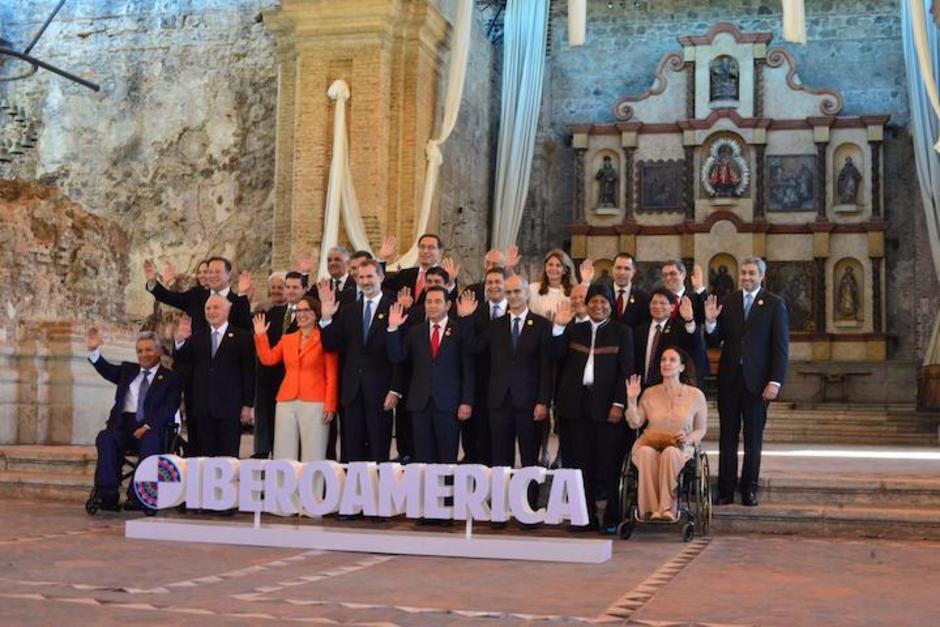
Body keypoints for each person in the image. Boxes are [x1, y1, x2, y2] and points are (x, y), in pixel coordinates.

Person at [705, 257, 789, 507]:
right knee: (727, 439)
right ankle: (725, 490)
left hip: (758, 383)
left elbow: (780, 347)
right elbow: (714, 341)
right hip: (729, 380)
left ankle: (749, 488)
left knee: (753, 439)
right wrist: (710, 322)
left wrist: (775, 381)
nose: (746, 277)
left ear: (762, 276)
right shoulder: (728, 302)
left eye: (752, 273)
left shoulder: (774, 304)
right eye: (743, 273)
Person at [463, 275, 551, 512]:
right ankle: (500, 507)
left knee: (529, 457)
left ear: (526, 293)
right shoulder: (495, 325)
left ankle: (528, 508)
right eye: (509, 292)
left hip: (529, 402)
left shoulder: (541, 325)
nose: (512, 296)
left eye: (517, 291)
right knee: (500, 458)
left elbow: (546, 367)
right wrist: (467, 318)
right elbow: (473, 348)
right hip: (499, 401)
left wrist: (543, 401)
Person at [552, 285, 635, 533]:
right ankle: (583, 517)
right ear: (586, 305)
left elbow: (627, 370)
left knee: (608, 463)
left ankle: (611, 517)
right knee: (579, 463)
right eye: (594, 302)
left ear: (611, 305)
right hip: (575, 406)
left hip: (608, 406)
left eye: (604, 302)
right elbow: (555, 357)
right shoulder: (574, 330)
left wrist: (619, 403)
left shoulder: (622, 332)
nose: (598, 306)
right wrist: (558, 328)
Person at [87, 327, 182, 510]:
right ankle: (106, 495)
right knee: (106, 438)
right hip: (123, 425)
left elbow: (169, 407)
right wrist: (94, 350)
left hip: (152, 426)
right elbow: (106, 369)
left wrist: (148, 426)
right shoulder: (127, 371)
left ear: (159, 351)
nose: (144, 355)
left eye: (148, 350)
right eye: (140, 351)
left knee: (151, 439)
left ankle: (138, 495)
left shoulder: (171, 378)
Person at [318, 260, 401, 463]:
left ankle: (376, 493)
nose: (365, 281)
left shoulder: (394, 309)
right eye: (361, 277)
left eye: (370, 276)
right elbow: (331, 345)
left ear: (380, 277)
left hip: (380, 393)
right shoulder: (348, 311)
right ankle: (351, 493)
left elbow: (399, 356)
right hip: (351, 393)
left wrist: (395, 389)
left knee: (378, 450)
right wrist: (326, 319)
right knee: (351, 452)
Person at [386, 286, 474, 465]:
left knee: (447, 458)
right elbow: (398, 358)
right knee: (423, 459)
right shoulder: (415, 331)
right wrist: (393, 328)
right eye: (429, 301)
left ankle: (447, 494)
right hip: (420, 405)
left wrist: (466, 401)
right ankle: (426, 493)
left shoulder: (458, 331)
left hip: (448, 405)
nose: (432, 306)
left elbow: (467, 369)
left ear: (448, 305)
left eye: (437, 301)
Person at [253, 294, 338, 465]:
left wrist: (330, 404)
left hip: (315, 401)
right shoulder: (287, 339)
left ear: (316, 314)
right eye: (298, 310)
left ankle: (312, 492)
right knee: (283, 454)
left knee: (313, 454)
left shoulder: (325, 338)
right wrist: (261, 336)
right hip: (286, 400)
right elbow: (268, 359)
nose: (301, 314)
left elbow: (332, 374)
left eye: (306, 310)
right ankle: (285, 492)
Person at [625, 348, 707, 521]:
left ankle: (668, 508)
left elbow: (701, 429)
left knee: (670, 454)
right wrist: (632, 400)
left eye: (672, 360)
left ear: (682, 367)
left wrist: (689, 438)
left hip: (680, 446)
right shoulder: (649, 393)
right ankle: (650, 510)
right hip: (650, 442)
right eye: (663, 360)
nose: (666, 363)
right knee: (645, 454)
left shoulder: (696, 395)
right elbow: (635, 423)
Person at [173, 295, 256, 458]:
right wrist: (180, 341)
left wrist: (247, 405)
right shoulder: (196, 337)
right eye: (208, 308)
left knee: (227, 459)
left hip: (230, 408)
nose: (211, 312)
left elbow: (249, 372)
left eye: (216, 307)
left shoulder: (243, 337)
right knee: (202, 459)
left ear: (227, 310)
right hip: (201, 408)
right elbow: (181, 363)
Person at [461, 266, 511, 465]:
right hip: (481, 387)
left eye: (498, 281)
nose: (493, 286)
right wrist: (465, 319)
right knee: (480, 438)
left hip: (509, 390)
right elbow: (468, 347)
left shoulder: (517, 311)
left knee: (503, 442)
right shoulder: (475, 311)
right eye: (489, 282)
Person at [145, 255, 253, 333]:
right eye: (210, 272)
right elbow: (169, 297)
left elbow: (245, 329)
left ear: (228, 275)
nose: (212, 275)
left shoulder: (238, 300)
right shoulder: (196, 295)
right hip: (197, 360)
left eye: (217, 272)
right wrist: (152, 282)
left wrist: (242, 294)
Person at [635, 287, 707, 388]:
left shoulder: (680, 328)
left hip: (669, 388)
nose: (657, 306)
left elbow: (695, 345)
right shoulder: (639, 331)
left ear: (672, 307)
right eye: (654, 303)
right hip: (642, 388)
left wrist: (689, 320)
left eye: (662, 303)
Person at [253, 271, 289, 459]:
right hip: (264, 373)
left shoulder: (293, 314)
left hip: (286, 374)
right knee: (264, 417)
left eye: (280, 287)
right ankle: (262, 451)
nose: (276, 291)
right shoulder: (261, 312)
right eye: (273, 287)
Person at [660, 259, 709, 380]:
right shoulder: (658, 301)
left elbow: (709, 314)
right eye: (665, 275)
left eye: (673, 273)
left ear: (683, 274)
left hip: (692, 364)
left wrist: (699, 289)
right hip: (666, 364)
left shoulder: (695, 298)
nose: (668, 278)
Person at [387, 233, 459, 304]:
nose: (425, 251)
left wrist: (450, 283)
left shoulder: (446, 276)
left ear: (440, 252)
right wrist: (381, 259)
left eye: (431, 247)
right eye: (422, 247)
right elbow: (382, 289)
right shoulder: (404, 274)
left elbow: (452, 304)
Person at [528, 249, 580, 319]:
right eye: (550, 265)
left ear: (565, 271)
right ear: (545, 267)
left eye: (558, 265)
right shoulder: (534, 288)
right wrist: (509, 269)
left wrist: (586, 281)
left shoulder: (573, 292)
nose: (553, 268)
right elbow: (517, 290)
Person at [609, 253, 650, 331]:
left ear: (634, 271)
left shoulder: (644, 297)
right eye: (618, 268)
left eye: (627, 269)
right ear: (612, 269)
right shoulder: (603, 293)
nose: (622, 272)